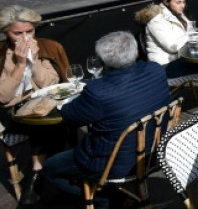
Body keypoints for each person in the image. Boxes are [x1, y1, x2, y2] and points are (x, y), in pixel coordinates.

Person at [41, 32, 171, 209]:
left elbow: (70, 116)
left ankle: (105, 200)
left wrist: (64, 104)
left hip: (114, 164)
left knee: (50, 168)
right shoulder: (155, 70)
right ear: (135, 53)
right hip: (154, 153)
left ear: (102, 61)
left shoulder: (98, 92)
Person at [0, 6, 70, 203]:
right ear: (6, 32)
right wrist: (21, 64)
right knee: (43, 125)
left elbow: (51, 83)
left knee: (64, 117)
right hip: (8, 110)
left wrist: (35, 61)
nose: (25, 38)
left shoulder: (46, 47)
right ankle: (39, 173)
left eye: (29, 31)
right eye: (18, 33)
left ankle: (51, 172)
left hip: (41, 102)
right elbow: (3, 97)